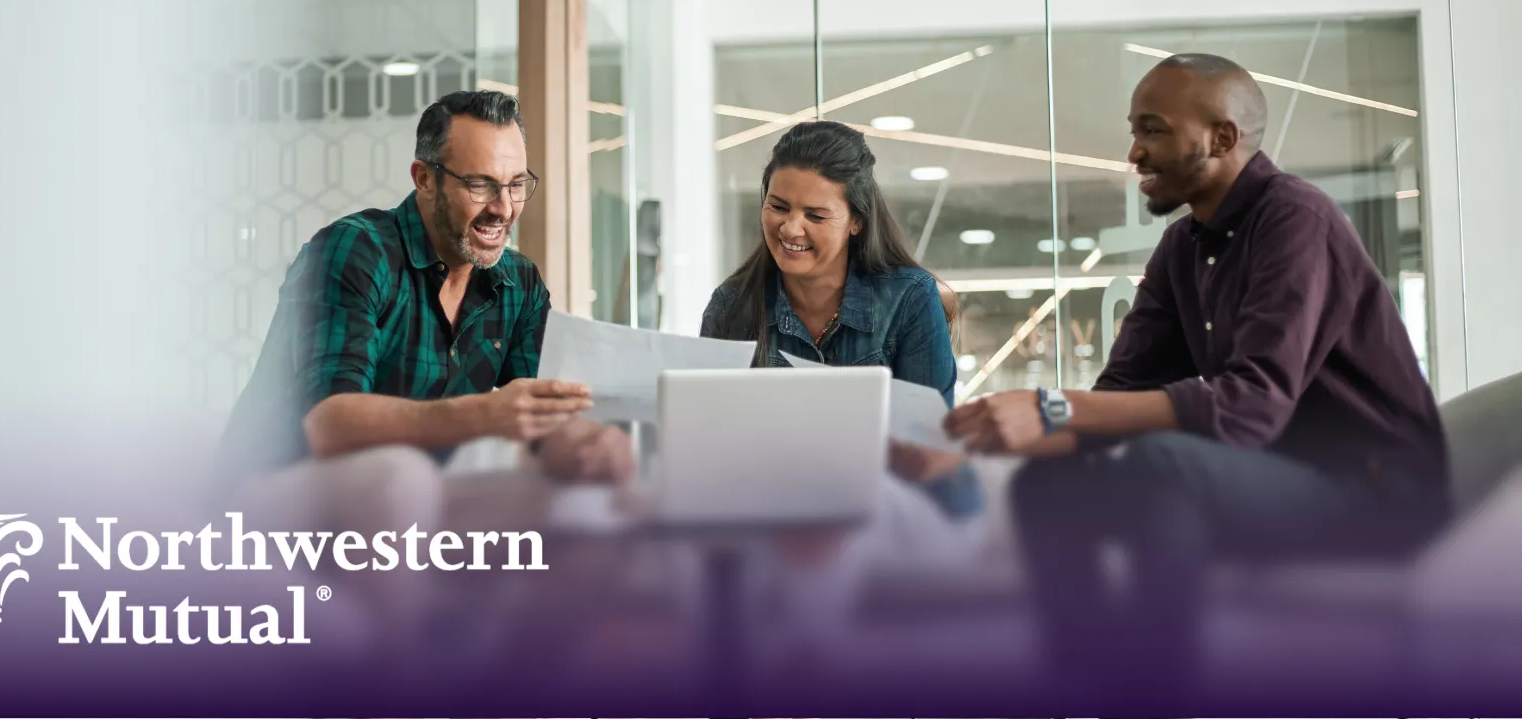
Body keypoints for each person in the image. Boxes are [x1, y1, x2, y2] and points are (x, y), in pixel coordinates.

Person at [946, 54, 1451, 698]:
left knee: (1165, 465)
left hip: (1375, 492)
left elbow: (1250, 407)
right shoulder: (1184, 247)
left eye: (1153, 130)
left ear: (1221, 139)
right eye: (1135, 129)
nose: (1133, 152)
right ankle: (1090, 689)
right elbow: (1118, 399)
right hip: (1266, 475)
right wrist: (975, 446)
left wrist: (1052, 410)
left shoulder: (1297, 218)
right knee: (1049, 485)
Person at [216, 89, 635, 514]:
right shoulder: (356, 249)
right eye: (480, 184)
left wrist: (589, 446)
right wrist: (487, 413)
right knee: (401, 476)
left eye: (515, 185)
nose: (504, 208)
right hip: (269, 490)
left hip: (413, 496)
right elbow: (328, 425)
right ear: (424, 179)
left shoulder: (518, 282)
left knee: (589, 500)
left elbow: (543, 421)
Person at [700, 120, 979, 517]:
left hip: (895, 512)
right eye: (778, 206)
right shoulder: (731, 306)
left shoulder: (909, 298)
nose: (790, 227)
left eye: (815, 215)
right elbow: (710, 447)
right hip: (775, 515)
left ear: (856, 222)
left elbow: (929, 447)